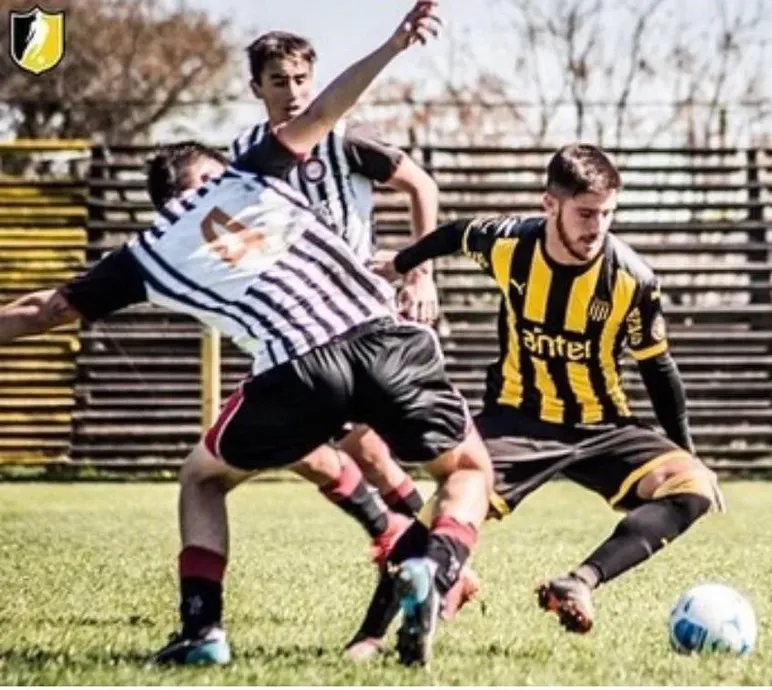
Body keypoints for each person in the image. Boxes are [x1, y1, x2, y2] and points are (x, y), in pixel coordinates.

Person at [0, 1, 491, 668]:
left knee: (203, 478)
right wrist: (395, 44)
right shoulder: (250, 173)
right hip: (382, 336)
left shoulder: (146, 254)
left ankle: (204, 630)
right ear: (213, 171)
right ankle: (434, 565)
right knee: (467, 469)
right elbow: (330, 107)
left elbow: (43, 309)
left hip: (296, 369)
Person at [352, 143, 723, 648]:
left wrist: (687, 451)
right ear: (550, 204)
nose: (597, 228)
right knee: (441, 513)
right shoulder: (510, 244)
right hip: (517, 418)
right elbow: (457, 233)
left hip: (601, 424)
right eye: (586, 213)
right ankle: (370, 636)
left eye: (608, 214)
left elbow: (657, 367)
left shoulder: (632, 280)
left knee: (694, 487)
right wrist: (403, 263)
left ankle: (580, 581)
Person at [229, 28, 481, 632]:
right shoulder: (244, 153)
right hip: (294, 323)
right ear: (256, 88)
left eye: (301, 80)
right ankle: (422, 549)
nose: (293, 92)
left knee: (381, 449)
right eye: (279, 81)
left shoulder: (347, 138)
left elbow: (422, 185)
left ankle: (419, 549)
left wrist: (419, 274)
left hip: (362, 318)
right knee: (321, 448)